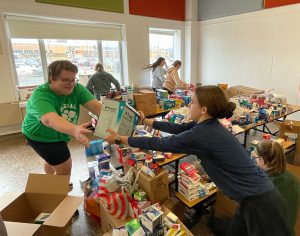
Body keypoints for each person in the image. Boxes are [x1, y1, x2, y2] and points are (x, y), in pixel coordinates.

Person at [104, 85, 291, 235]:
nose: (188, 106)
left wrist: (121, 139)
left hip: (260, 202)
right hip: (254, 195)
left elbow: (160, 143)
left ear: (203, 109)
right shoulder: (208, 125)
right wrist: (146, 121)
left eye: (192, 102)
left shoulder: (202, 134)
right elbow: (178, 129)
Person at [22, 60, 102, 190]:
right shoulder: (40, 95)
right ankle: (58, 197)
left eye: (73, 79)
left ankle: (52, 180)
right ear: (52, 79)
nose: (71, 84)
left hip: (60, 133)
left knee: (52, 160)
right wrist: (74, 129)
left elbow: (95, 106)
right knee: (64, 166)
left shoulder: (76, 88)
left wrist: (115, 118)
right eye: (65, 80)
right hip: (40, 136)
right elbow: (50, 120)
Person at [255, 140, 300, 235]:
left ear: (262, 161)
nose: (255, 159)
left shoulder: (263, 187)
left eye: (256, 158)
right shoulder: (293, 179)